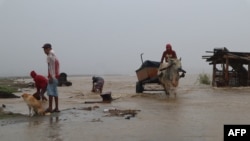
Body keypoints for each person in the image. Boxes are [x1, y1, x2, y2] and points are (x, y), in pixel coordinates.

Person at [42, 43, 60, 113]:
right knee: (55, 92)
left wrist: (50, 77)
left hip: (52, 76)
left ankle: (50, 108)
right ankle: (57, 108)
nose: (44, 51)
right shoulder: (54, 55)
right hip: (56, 76)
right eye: (44, 49)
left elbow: (49, 68)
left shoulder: (49, 56)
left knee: (50, 92)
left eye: (45, 49)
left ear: (49, 49)